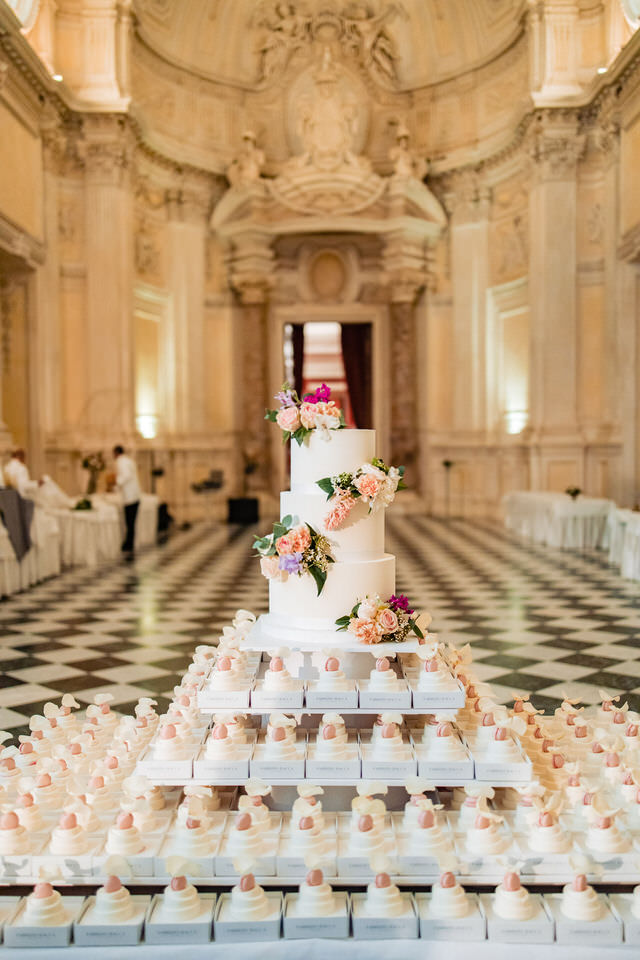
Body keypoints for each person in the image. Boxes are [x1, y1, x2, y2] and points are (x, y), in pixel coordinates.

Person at [113, 445, 141, 558]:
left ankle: (128, 544)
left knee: (129, 522)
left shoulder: (121, 461)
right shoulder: (129, 460)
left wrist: (116, 484)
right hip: (134, 495)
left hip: (130, 497)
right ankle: (129, 543)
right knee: (131, 522)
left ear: (116, 453)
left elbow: (126, 476)